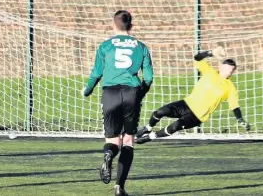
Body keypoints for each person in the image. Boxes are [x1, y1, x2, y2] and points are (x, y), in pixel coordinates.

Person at [83, 10, 153, 196]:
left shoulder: (105, 46)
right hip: (131, 93)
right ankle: (119, 188)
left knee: (113, 140)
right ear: (131, 26)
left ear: (113, 25)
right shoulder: (141, 47)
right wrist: (140, 94)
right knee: (128, 140)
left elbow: (96, 73)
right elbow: (149, 77)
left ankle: (108, 155)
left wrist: (87, 90)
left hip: (110, 94)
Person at [135, 47, 250, 144]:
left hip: (197, 116)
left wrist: (240, 119)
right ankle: (148, 128)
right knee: (159, 112)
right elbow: (197, 58)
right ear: (220, 67)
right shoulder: (209, 72)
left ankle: (150, 137)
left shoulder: (230, 87)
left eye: (231, 70)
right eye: (227, 69)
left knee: (175, 126)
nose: (229, 72)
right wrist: (210, 53)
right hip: (186, 104)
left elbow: (234, 106)